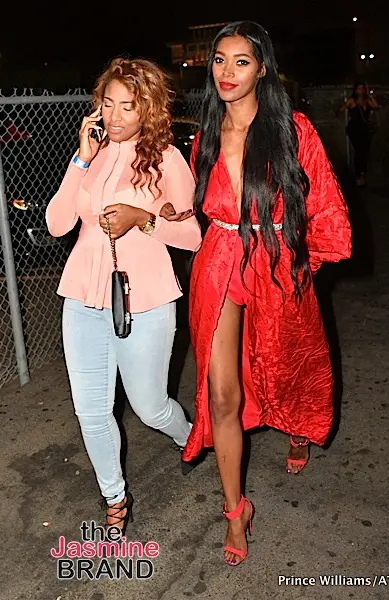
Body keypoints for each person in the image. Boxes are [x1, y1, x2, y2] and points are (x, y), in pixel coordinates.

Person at [181, 21, 352, 566]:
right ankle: (236, 510)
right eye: (219, 60)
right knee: (222, 393)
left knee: (286, 362)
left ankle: (298, 425)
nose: (227, 72)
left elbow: (324, 201)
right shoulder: (206, 134)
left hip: (276, 258)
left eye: (241, 61)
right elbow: (202, 205)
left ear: (262, 69)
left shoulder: (293, 130)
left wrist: (305, 262)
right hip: (220, 261)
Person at [46, 58, 201, 537]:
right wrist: (80, 160)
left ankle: (191, 436)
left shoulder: (167, 160)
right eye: (107, 104)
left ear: (148, 109)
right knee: (91, 412)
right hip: (82, 299)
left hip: (145, 300)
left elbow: (192, 236)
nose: (114, 116)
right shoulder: (90, 156)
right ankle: (114, 496)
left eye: (127, 106)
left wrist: (142, 218)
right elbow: (57, 224)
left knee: (150, 408)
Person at [340, 82, 379, 186]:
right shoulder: (352, 101)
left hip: (365, 129)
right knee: (359, 151)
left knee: (365, 152)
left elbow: (376, 106)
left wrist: (370, 96)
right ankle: (358, 175)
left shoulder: (367, 100)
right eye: (359, 89)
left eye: (362, 89)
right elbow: (341, 109)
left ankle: (362, 173)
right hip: (355, 129)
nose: (361, 91)